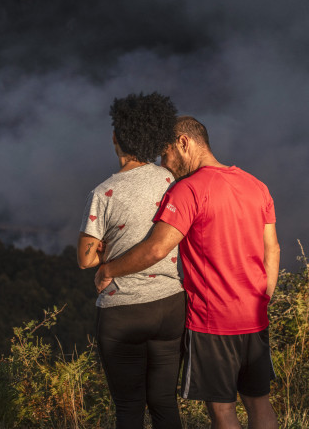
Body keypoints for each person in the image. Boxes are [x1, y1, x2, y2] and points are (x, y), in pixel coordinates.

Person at [95, 116, 280, 429]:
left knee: (223, 410)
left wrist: (109, 268)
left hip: (213, 321)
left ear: (184, 142)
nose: (165, 164)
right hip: (254, 315)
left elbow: (156, 249)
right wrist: (264, 297)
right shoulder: (256, 185)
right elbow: (272, 249)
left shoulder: (189, 190)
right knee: (258, 402)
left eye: (165, 154)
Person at [77, 93, 185, 429]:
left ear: (115, 138)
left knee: (129, 408)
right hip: (171, 306)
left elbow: (85, 258)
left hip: (123, 310)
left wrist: (108, 251)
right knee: (165, 402)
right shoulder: (171, 181)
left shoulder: (104, 192)